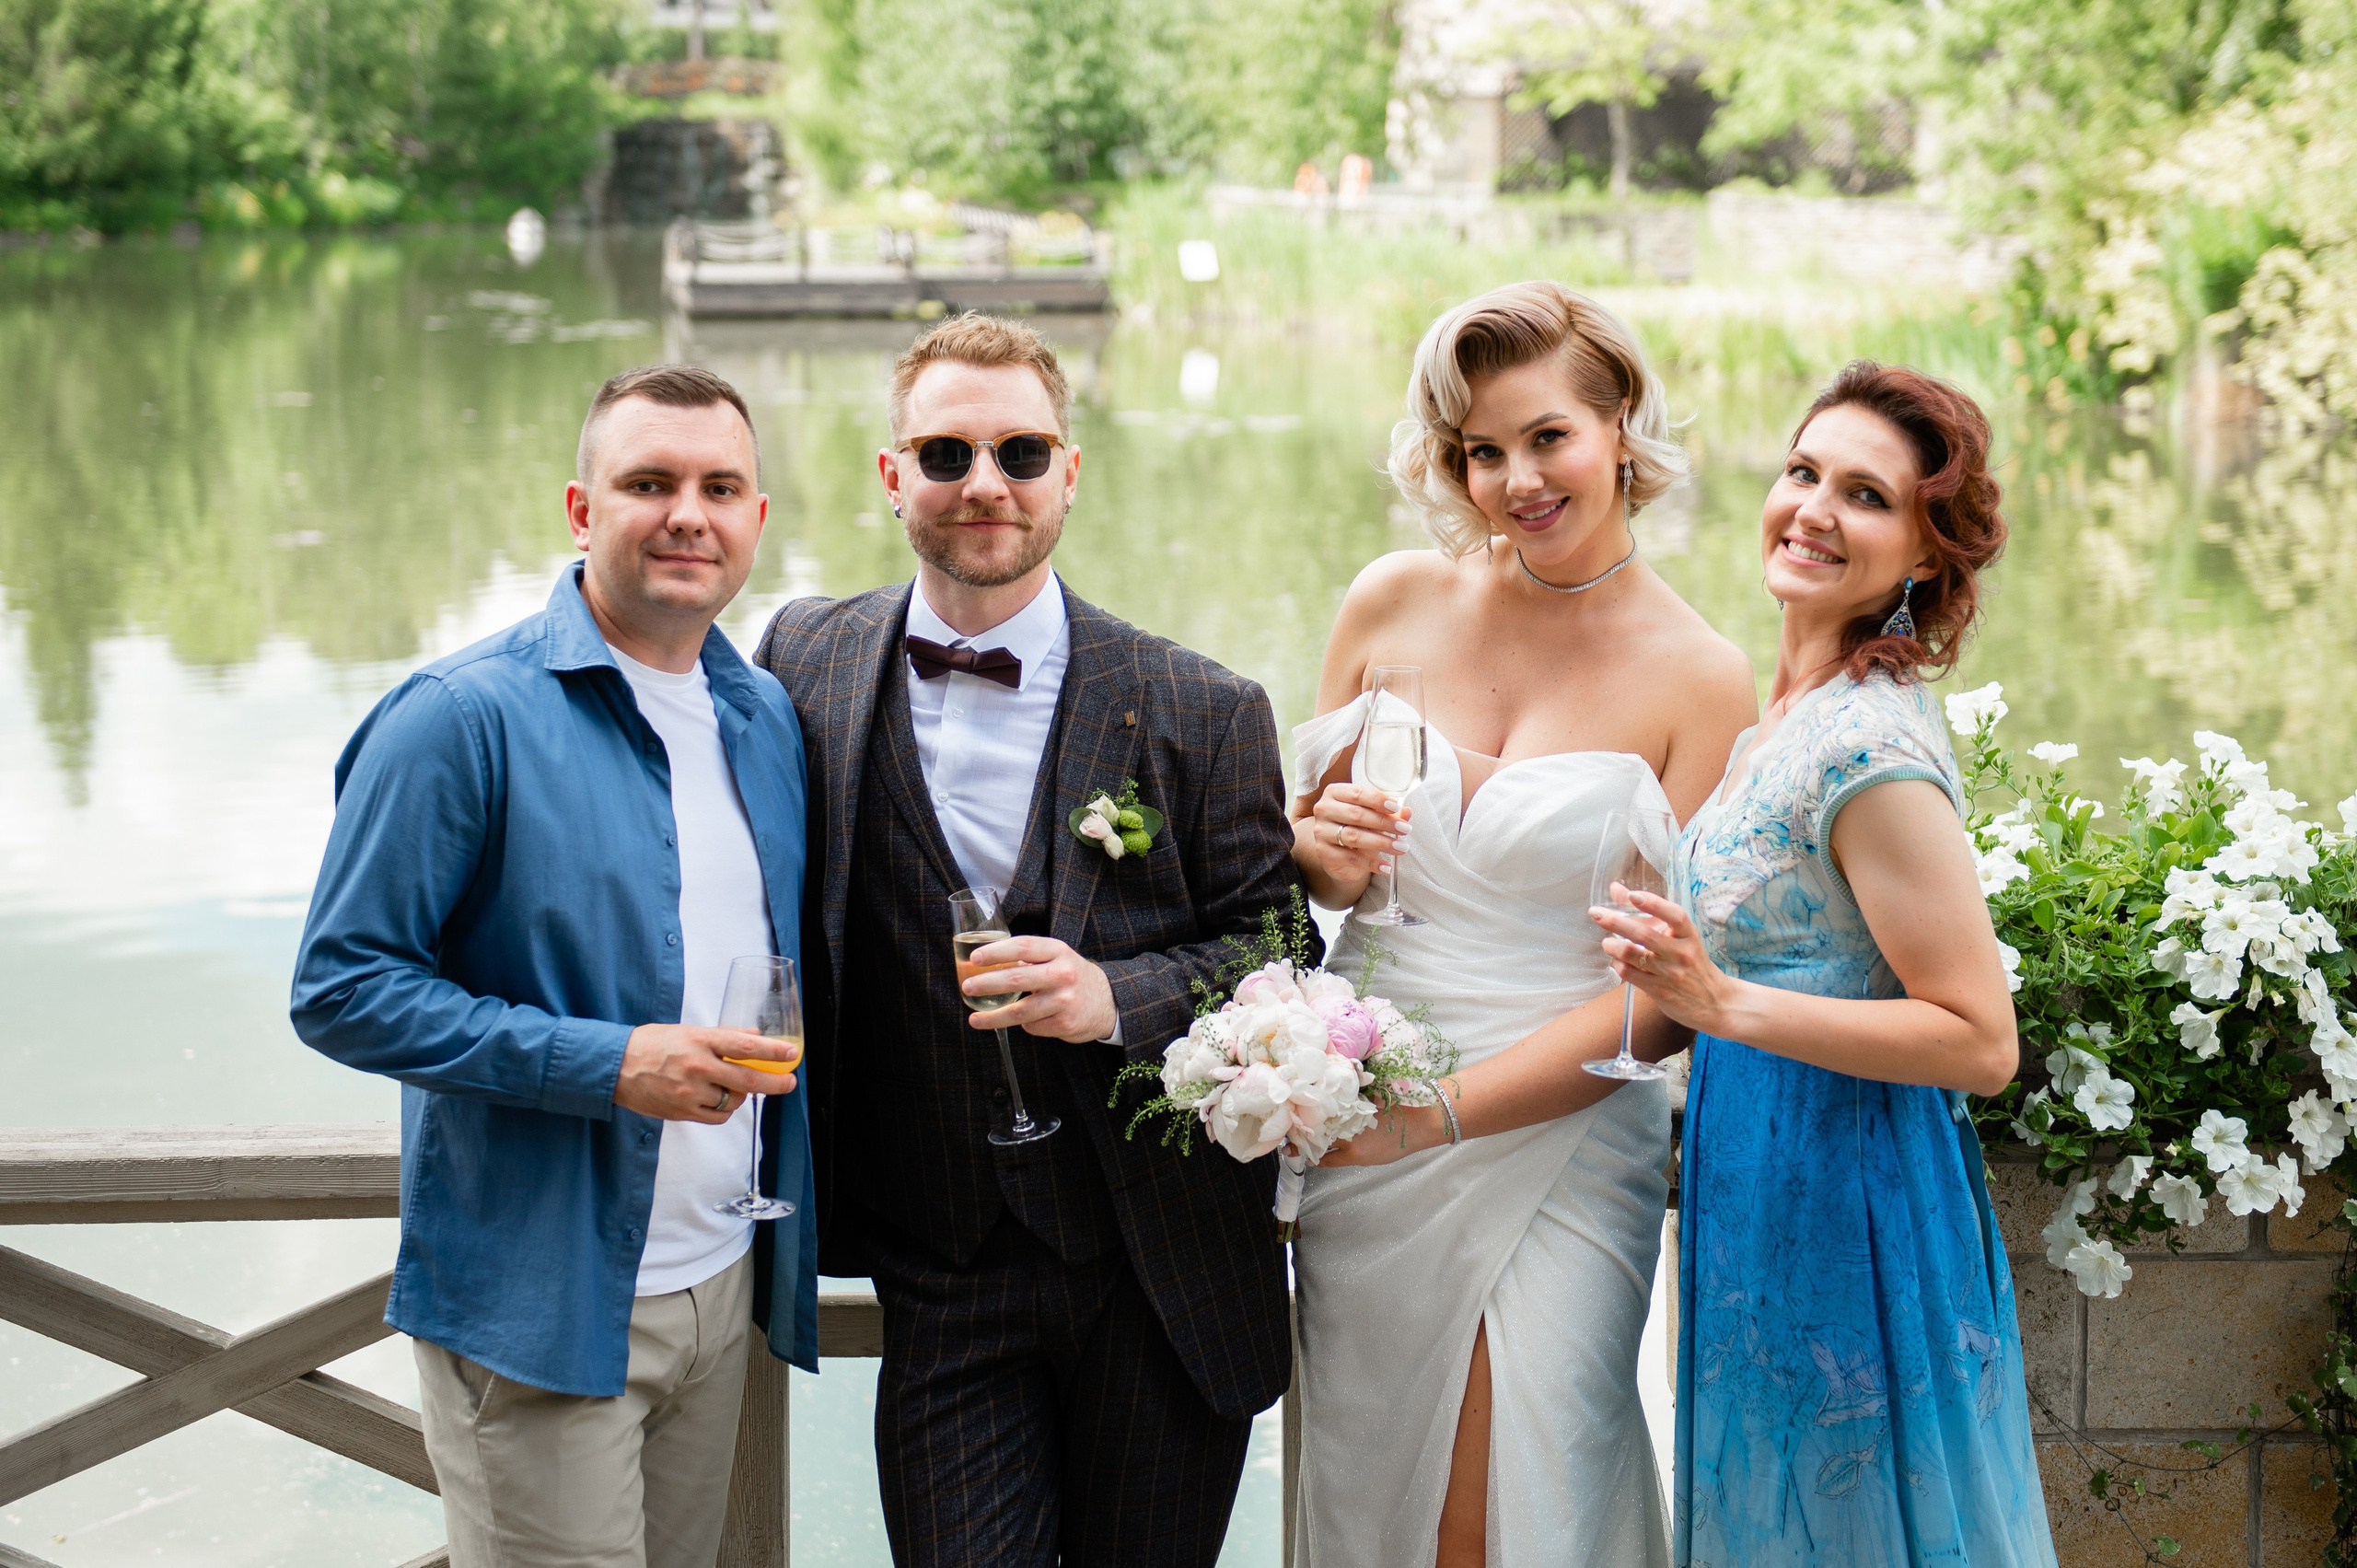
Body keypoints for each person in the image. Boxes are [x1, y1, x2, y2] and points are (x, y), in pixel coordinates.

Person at [753, 313, 1310, 1568]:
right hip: (938, 1269)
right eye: (946, 454)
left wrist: (1115, 995)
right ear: (892, 476)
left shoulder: (1201, 706)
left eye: (1020, 450)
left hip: (1158, 1266)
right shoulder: (803, 658)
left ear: (1071, 470)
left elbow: (1282, 948)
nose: (984, 484)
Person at [291, 366, 816, 1568]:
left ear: (756, 520)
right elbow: (340, 987)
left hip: (724, 1284)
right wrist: (608, 1063)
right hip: (543, 1303)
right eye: (649, 483)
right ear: (582, 511)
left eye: (720, 486)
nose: (689, 512)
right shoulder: (458, 716)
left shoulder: (763, 715)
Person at [1289, 281, 1757, 1568]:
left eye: (1545, 436)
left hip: (1561, 1126)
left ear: (1620, 425)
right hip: (1365, 1121)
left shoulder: (1702, 676)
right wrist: (1312, 851)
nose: (1513, 481)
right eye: (1479, 452)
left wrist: (1434, 1117)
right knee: (1380, 1491)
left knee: (1513, 1500)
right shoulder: (1390, 602)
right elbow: (1316, 874)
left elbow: (1671, 998)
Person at [1594, 362, 2055, 1565]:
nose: (1811, 508)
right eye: (1803, 472)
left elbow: (1980, 1040)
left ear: (1921, 554)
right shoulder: (1781, 723)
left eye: (1864, 494)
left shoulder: (1870, 752)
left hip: (1851, 1189)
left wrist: (1724, 1001)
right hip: (1752, 1168)